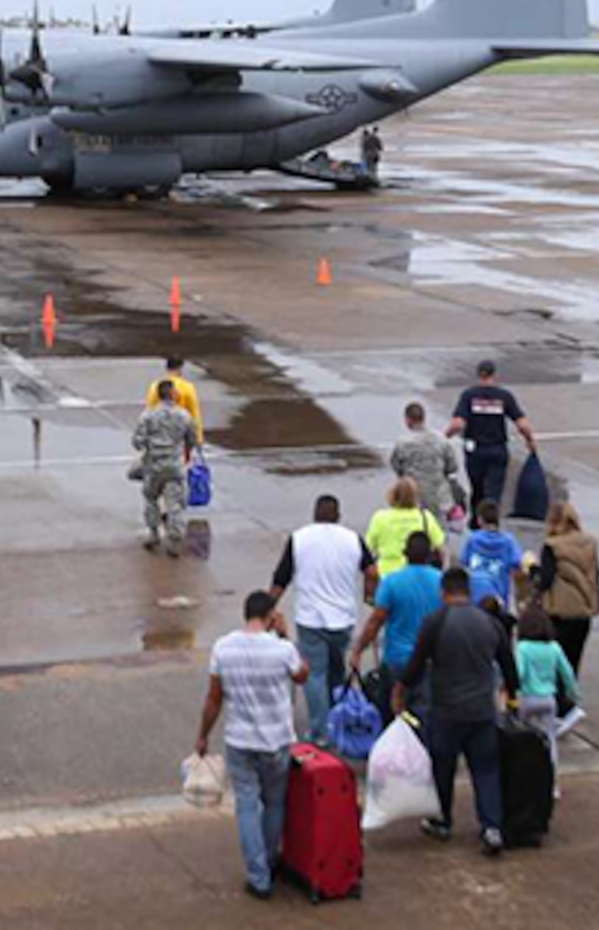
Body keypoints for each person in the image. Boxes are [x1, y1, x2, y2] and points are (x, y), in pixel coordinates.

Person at [394, 566, 520, 856]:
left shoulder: (435, 622)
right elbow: (508, 667)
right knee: (486, 770)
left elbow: (416, 663)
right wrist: (511, 696)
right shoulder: (490, 624)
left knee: (443, 767)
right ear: (469, 592)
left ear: (443, 592)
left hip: (446, 710)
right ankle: (492, 827)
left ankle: (442, 820)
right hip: (481, 711)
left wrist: (400, 689)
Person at [196, 591, 310, 900]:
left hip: (239, 739)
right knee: (274, 802)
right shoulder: (282, 649)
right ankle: (270, 860)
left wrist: (203, 734)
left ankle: (258, 876)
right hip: (276, 740)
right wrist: (286, 635)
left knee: (246, 804)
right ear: (271, 616)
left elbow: (214, 698)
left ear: (246, 614)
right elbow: (302, 675)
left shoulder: (223, 647)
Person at [269, 495, 378, 745]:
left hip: (311, 619)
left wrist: (267, 608)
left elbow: (281, 578)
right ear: (338, 515)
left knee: (314, 674)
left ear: (315, 514)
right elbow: (372, 572)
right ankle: (337, 721)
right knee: (336, 671)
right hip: (343, 618)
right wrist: (369, 596)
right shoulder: (352, 539)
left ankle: (320, 732)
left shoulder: (299, 538)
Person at [347, 531, 444, 721]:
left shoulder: (392, 582)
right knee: (424, 716)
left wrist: (358, 649)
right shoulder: (441, 582)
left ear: (405, 553)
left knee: (394, 713)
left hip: (397, 660)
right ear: (430, 555)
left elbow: (376, 621)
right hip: (430, 660)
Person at [446, 360, 537, 512]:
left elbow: (458, 425)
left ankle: (476, 522)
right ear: (494, 375)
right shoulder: (504, 396)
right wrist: (530, 441)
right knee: (494, 491)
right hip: (497, 449)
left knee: (477, 489)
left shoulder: (469, 396)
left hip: (475, 450)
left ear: (478, 374)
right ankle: (492, 520)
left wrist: (443, 438)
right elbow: (522, 425)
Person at [535, 502, 599, 690]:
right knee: (574, 659)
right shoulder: (590, 542)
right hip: (583, 610)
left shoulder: (551, 546)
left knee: (557, 661)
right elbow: (596, 574)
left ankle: (560, 702)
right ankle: (571, 696)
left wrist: (533, 572)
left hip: (559, 611)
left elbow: (546, 580)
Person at [514, 605, 581, 790]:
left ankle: (524, 780)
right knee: (550, 740)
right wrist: (573, 694)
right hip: (548, 699)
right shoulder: (554, 647)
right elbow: (567, 673)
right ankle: (553, 785)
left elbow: (519, 673)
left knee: (521, 739)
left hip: (527, 699)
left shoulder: (523, 647)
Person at [133, 380, 199, 555]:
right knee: (175, 504)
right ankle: (174, 539)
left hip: (153, 465)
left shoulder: (148, 416)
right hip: (175, 465)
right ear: (172, 394)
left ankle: (153, 533)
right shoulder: (184, 416)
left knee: (151, 499)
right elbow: (192, 440)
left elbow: (137, 442)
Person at [389, 401, 462, 522]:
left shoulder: (402, 443)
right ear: (423, 417)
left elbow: (396, 466)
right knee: (438, 533)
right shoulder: (441, 440)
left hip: (412, 496)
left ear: (407, 420)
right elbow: (452, 467)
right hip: (438, 497)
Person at [364, 477, 447, 578]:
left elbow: (368, 549)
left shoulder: (380, 518)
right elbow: (441, 549)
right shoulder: (425, 517)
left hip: (386, 573)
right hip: (418, 575)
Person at [461, 500, 527, 614]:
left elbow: (464, 562)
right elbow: (519, 565)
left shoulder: (472, 540)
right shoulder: (509, 542)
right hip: (498, 603)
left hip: (473, 603)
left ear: (480, 520)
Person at [144, 357, 205, 446]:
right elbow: (194, 413)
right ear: (180, 368)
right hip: (181, 433)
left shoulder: (155, 386)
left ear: (167, 368)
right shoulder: (188, 387)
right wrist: (198, 437)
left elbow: (149, 410)